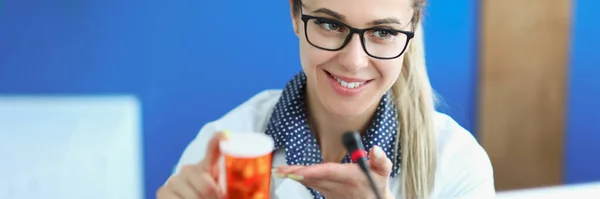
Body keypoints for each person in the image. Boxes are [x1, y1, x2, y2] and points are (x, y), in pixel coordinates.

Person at [156, 0, 495, 198]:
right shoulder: (223, 148)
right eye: (330, 24)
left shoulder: (458, 165)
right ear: (294, 14)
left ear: (412, 28)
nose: (353, 61)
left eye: (384, 32)